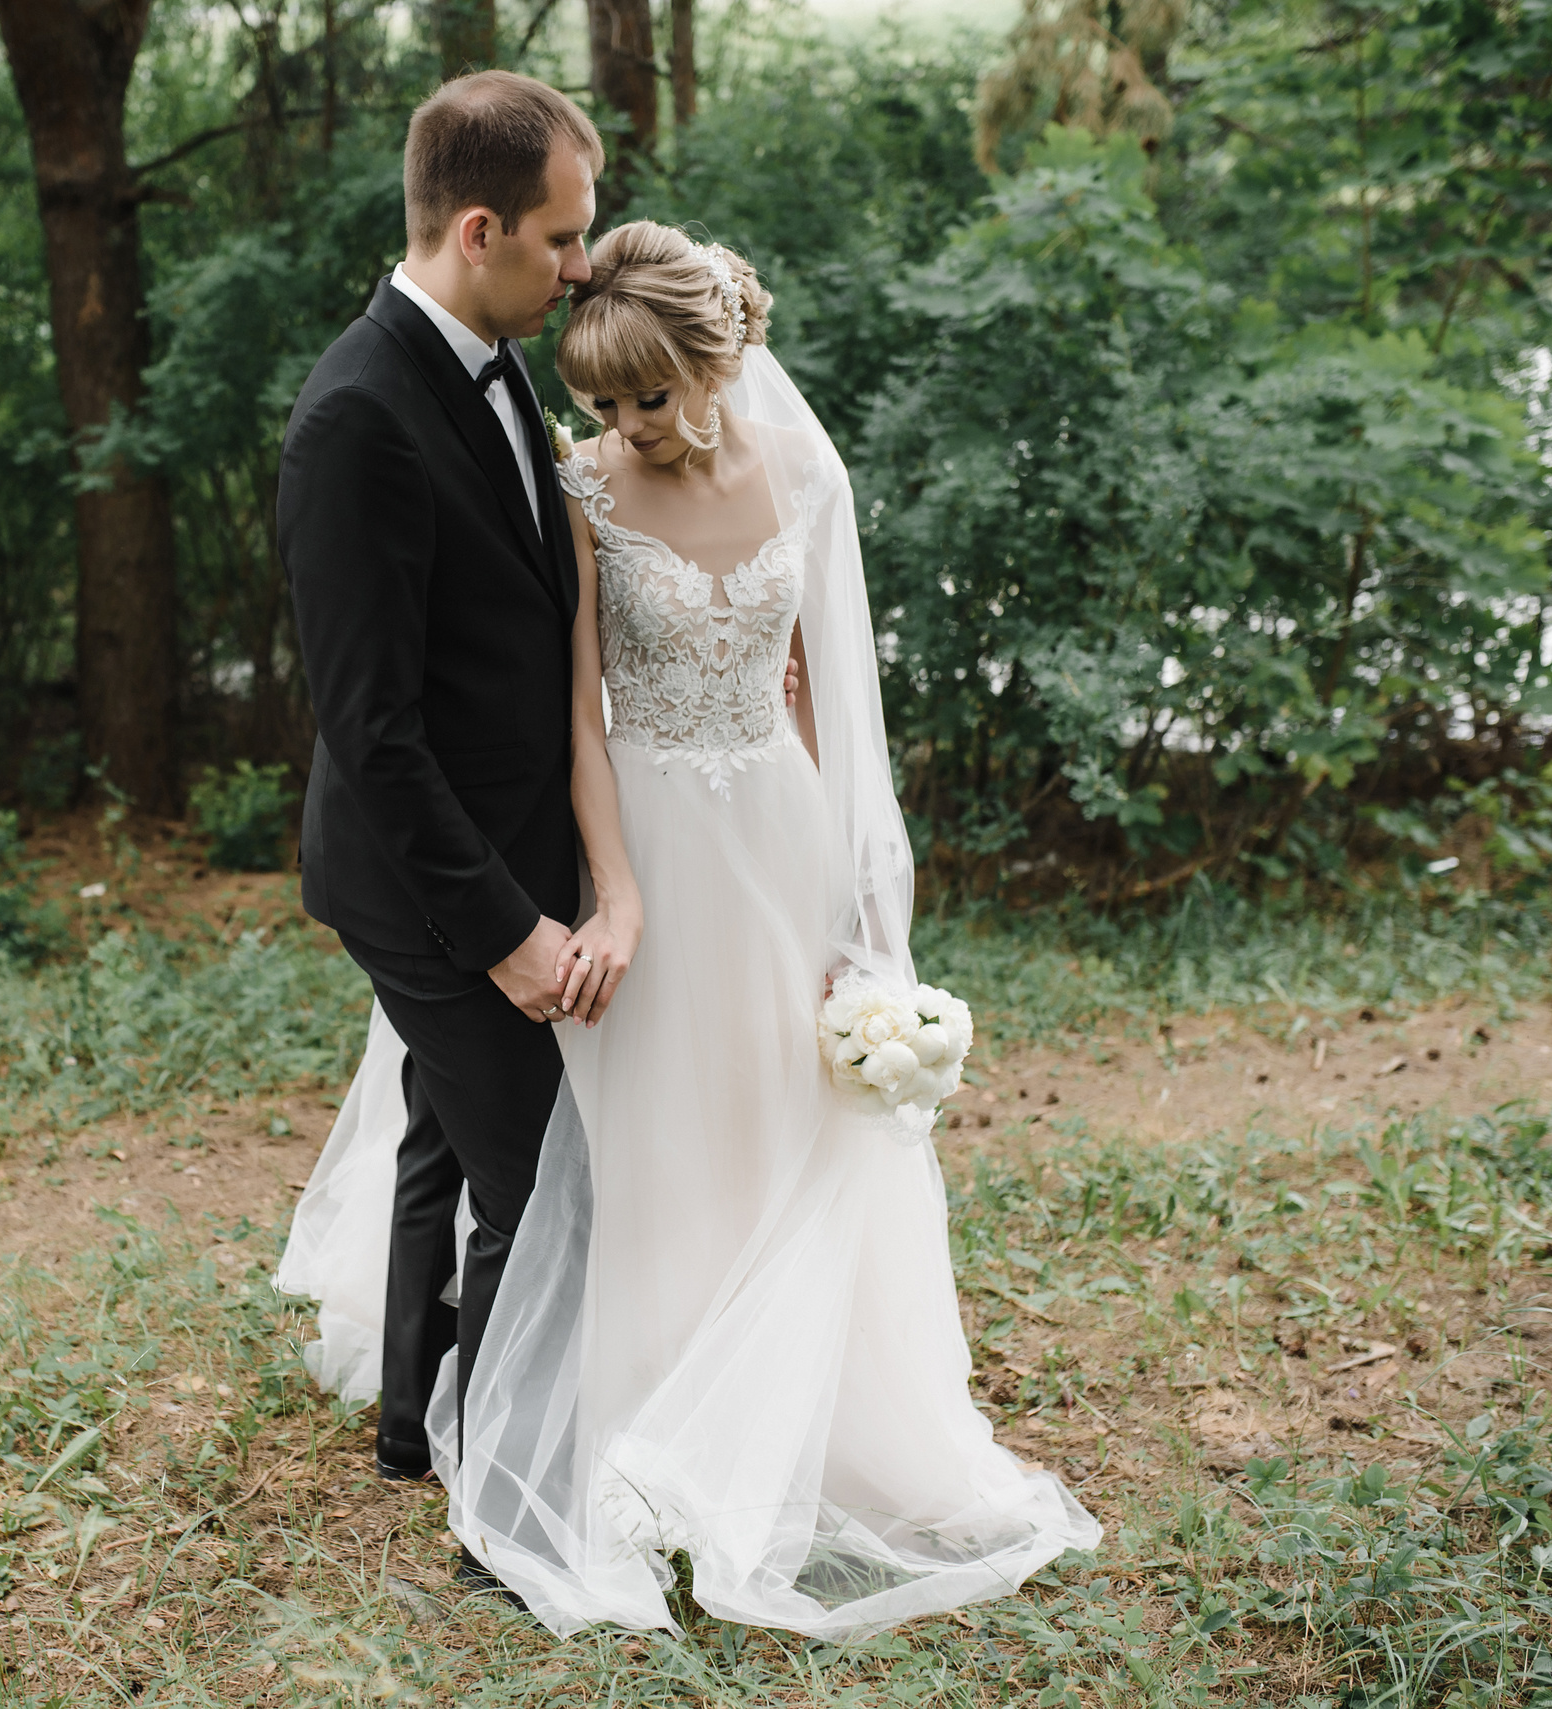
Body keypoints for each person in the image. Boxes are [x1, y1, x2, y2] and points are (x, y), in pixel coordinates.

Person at [279, 219, 1101, 1638]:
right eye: (602, 402)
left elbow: (823, 700)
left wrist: (855, 912)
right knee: (638, 1125)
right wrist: (618, 889)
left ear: (720, 360)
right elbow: (581, 722)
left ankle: (788, 1411)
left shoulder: (806, 473)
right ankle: (636, 1409)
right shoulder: (584, 488)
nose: (628, 426)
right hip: (642, 827)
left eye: (649, 397)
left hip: (776, 836)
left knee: (770, 1115)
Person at [274, 70, 601, 1591]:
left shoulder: (490, 350)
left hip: (503, 835)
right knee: (544, 1176)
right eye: (558, 238)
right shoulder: (355, 416)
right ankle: (514, 1520)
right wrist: (515, 932)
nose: (579, 265)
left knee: (436, 1138)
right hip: (425, 881)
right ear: (478, 230)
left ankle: (416, 1417)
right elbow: (374, 732)